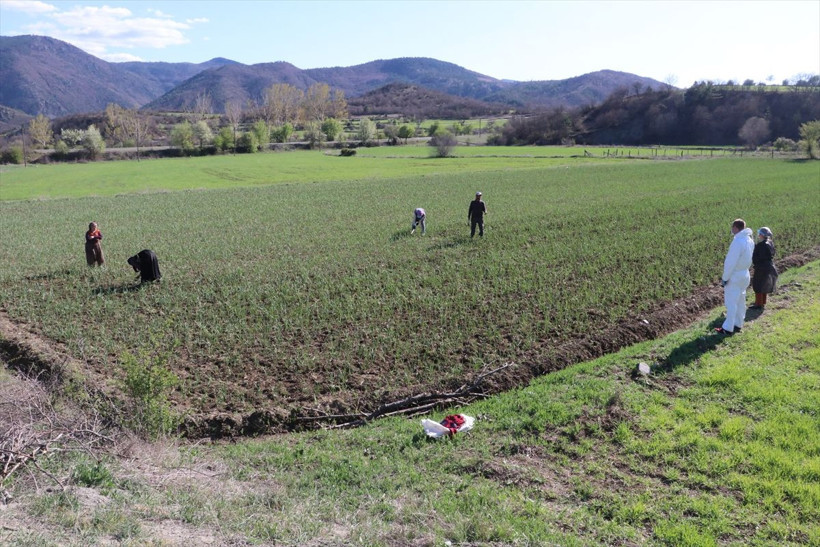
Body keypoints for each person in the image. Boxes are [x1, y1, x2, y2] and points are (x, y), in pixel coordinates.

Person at [715, 219, 754, 335]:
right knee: (741, 300)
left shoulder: (737, 242)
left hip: (735, 276)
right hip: (745, 274)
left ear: (736, 228)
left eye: (732, 227)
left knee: (731, 302)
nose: (731, 230)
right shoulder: (750, 240)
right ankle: (738, 324)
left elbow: (730, 262)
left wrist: (725, 278)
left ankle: (727, 328)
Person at [750, 227, 778, 310]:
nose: (758, 235)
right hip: (769, 266)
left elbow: (758, 257)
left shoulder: (761, 245)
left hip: (761, 267)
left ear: (762, 235)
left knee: (758, 285)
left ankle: (758, 304)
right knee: (765, 284)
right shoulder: (770, 242)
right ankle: (763, 302)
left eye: (760, 233)